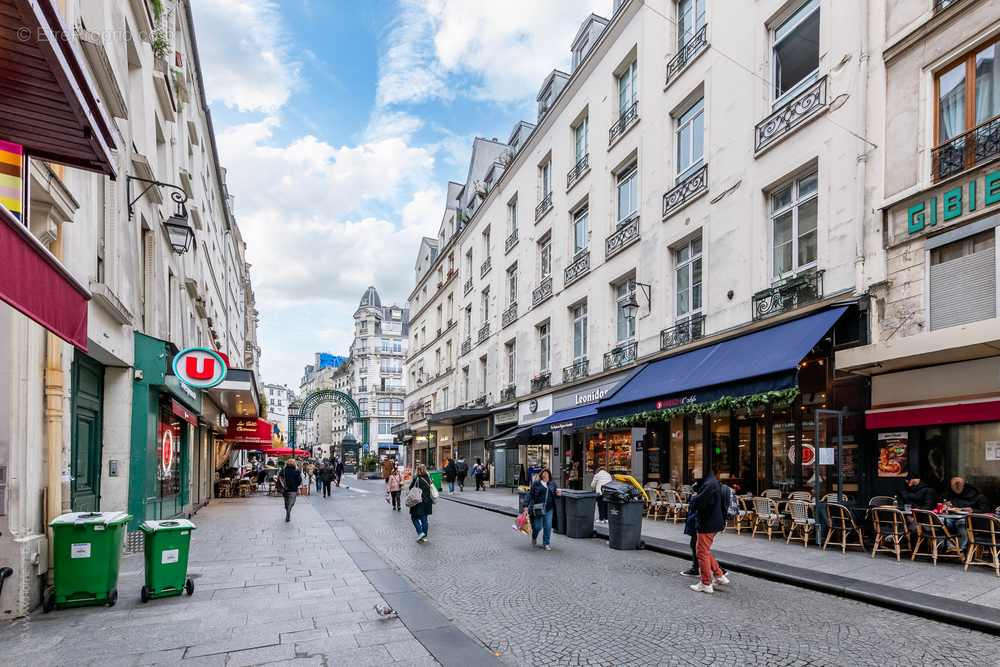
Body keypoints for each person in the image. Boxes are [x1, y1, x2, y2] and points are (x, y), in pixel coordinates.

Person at [687, 465, 729, 594]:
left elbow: (698, 503)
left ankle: (705, 583)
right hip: (714, 522)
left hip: (707, 523)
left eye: (695, 469)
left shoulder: (709, 484)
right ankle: (719, 575)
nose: (693, 471)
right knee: (704, 550)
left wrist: (693, 498)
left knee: (701, 552)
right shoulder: (711, 482)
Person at [526, 468, 558, 551]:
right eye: (544, 474)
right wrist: (525, 505)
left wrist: (558, 494)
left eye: (547, 474)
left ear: (549, 476)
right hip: (538, 508)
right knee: (537, 526)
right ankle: (534, 536)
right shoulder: (536, 484)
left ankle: (546, 543)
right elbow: (530, 495)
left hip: (548, 509)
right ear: (541, 475)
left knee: (548, 526)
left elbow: (555, 493)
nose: (546, 476)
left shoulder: (552, 484)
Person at [408, 464, 434, 542]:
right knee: (424, 519)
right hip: (428, 501)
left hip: (418, 501)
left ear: (418, 470)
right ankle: (424, 536)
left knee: (414, 518)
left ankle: (420, 532)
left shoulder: (417, 478)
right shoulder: (429, 477)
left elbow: (410, 488)